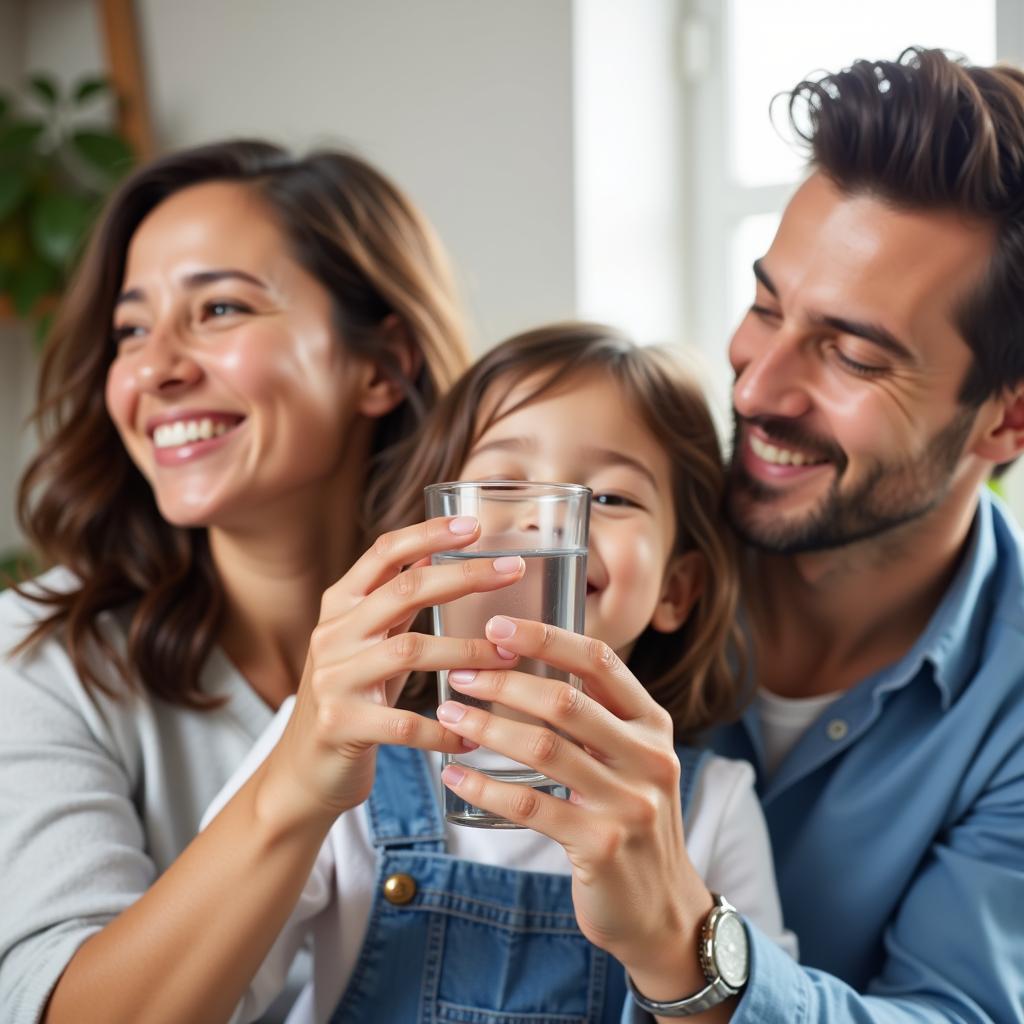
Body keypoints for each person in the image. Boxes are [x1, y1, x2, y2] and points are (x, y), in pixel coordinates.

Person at [0, 138, 473, 1023]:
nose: (155, 368)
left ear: (383, 365)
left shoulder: (498, 641)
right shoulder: (41, 656)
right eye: (131, 331)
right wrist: (296, 776)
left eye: (218, 308)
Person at [202, 322, 795, 1024]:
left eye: (609, 499)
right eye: (504, 485)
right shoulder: (336, 738)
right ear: (430, 545)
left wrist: (672, 945)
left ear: (676, 590)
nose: (549, 523)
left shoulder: (709, 809)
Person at [703, 48, 1024, 1022]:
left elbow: (949, 1011)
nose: (756, 387)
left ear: (1005, 421)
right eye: (765, 306)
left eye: (848, 354)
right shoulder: (601, 547)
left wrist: (690, 955)